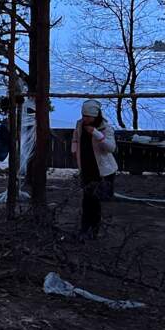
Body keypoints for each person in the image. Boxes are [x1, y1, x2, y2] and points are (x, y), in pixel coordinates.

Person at [70, 99, 118, 239]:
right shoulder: (80, 124)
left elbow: (111, 148)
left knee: (95, 201)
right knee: (86, 200)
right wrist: (74, 147)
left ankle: (94, 230)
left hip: (102, 170)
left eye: (88, 116)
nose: (85, 119)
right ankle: (84, 228)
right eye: (83, 115)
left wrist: (96, 134)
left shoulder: (105, 128)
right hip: (86, 168)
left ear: (95, 116)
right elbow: (76, 137)